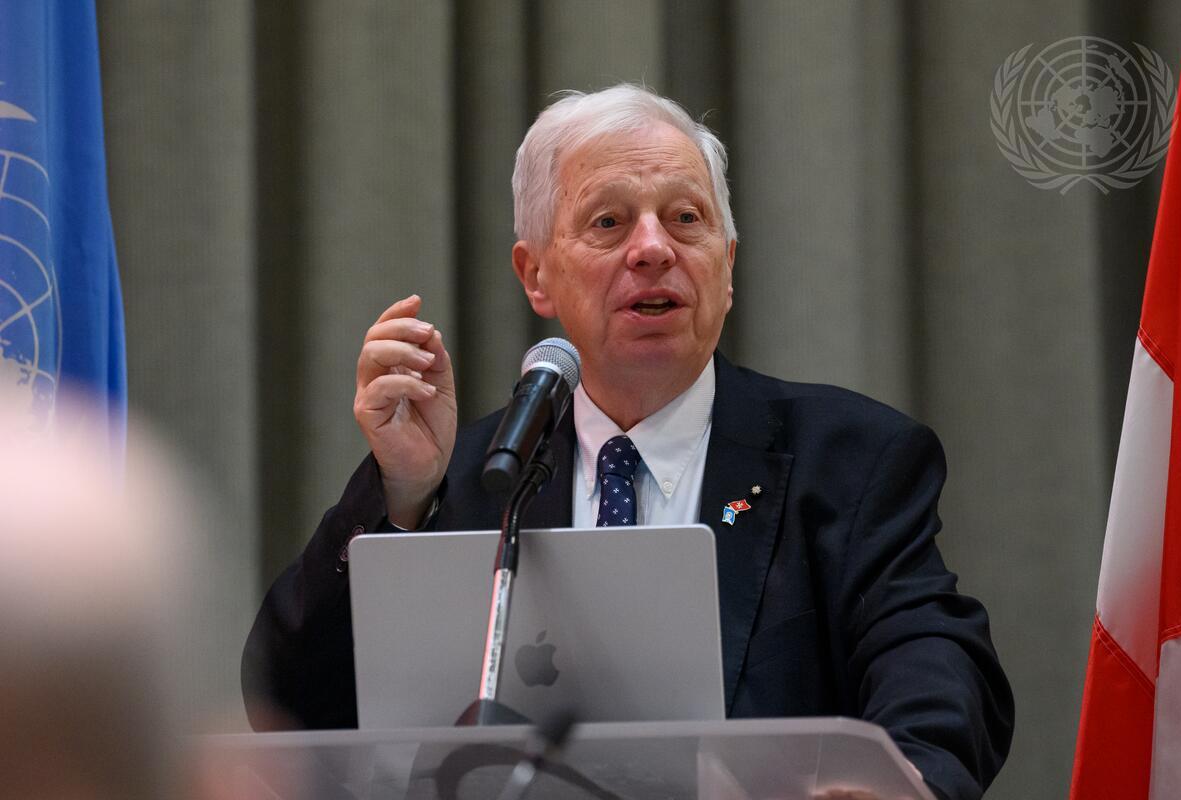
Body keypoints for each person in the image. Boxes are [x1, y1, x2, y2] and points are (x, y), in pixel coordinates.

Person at [242, 84, 1014, 800]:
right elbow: (290, 705)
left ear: (727, 265)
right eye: (609, 223)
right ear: (536, 275)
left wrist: (903, 780)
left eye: (686, 219)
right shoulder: (476, 477)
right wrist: (403, 495)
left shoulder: (848, 459)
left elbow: (936, 669)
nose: (653, 248)